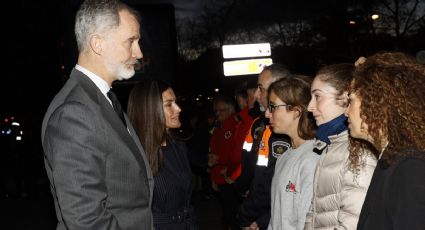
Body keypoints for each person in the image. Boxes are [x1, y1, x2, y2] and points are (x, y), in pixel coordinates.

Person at [41, 0, 154, 229]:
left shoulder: (101, 98)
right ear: (98, 44)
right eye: (131, 41)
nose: (139, 52)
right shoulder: (74, 113)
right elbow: (86, 221)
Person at [346, 52, 425, 229]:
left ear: (376, 102)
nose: (346, 112)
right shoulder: (392, 160)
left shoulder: (410, 168)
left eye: (350, 102)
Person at [304, 63, 377, 230]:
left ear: (345, 97)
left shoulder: (359, 151)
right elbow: (314, 213)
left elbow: (353, 221)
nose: (309, 107)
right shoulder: (331, 146)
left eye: (317, 96)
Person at [127, 80, 197, 230]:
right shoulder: (134, 154)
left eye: (176, 103)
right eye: (169, 104)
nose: (178, 109)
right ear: (150, 110)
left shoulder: (178, 146)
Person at [236, 64, 292, 230]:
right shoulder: (260, 124)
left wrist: (249, 216)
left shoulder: (282, 131)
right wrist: (243, 187)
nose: (256, 94)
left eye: (261, 88)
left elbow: (273, 185)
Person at [266, 75, 319, 230]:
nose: (267, 114)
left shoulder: (312, 158)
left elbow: (306, 223)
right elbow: (276, 218)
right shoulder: (283, 157)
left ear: (296, 111)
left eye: (273, 107)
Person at [208, 95, 246, 230]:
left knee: (234, 215)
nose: (218, 114)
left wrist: (218, 161)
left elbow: (234, 154)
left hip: (230, 176)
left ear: (230, 109)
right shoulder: (219, 125)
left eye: (221, 110)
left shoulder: (235, 124)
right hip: (220, 176)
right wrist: (213, 176)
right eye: (216, 111)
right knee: (228, 213)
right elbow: (214, 148)